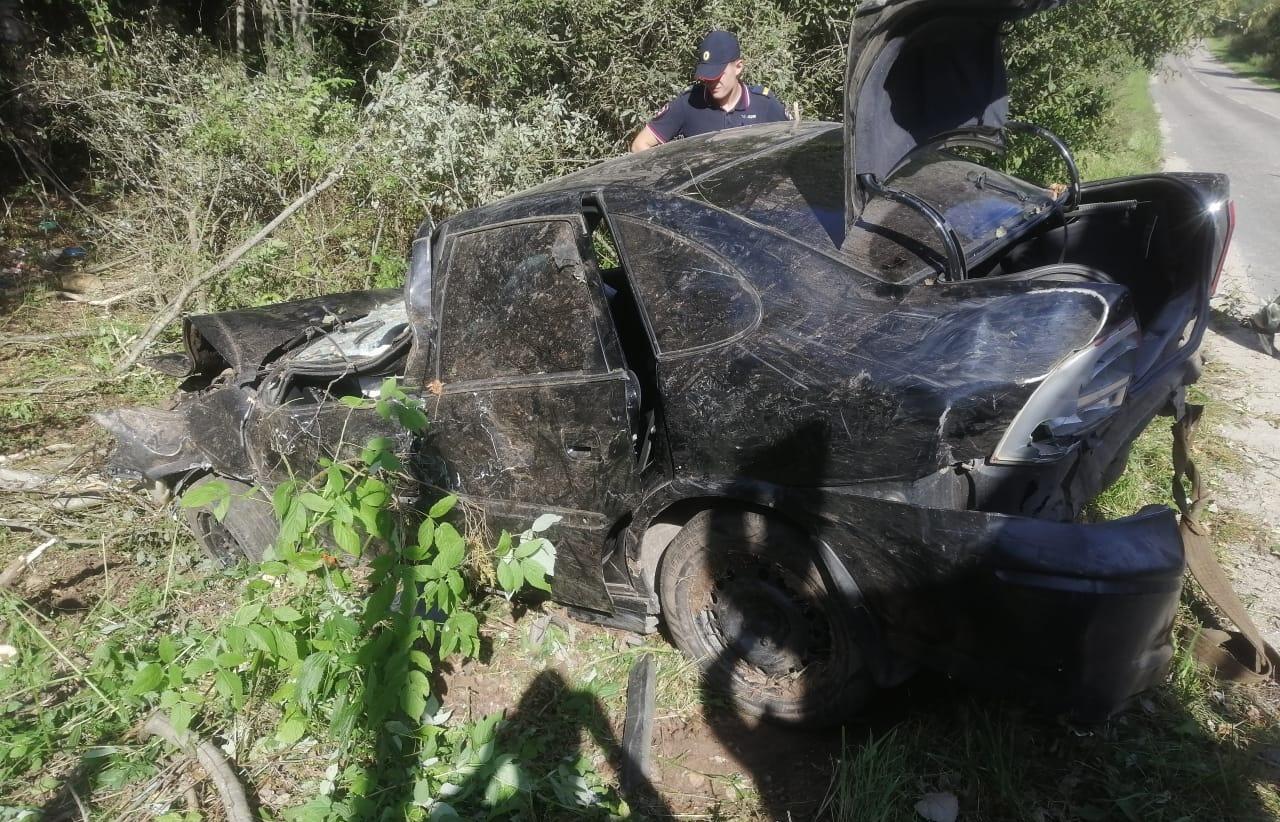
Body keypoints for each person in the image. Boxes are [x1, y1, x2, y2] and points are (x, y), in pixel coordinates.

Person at [629, 30, 789, 152]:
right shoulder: (689, 103)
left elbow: (794, 146)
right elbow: (640, 145)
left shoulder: (764, 104)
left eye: (718, 74)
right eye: (707, 75)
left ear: (738, 67)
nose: (711, 82)